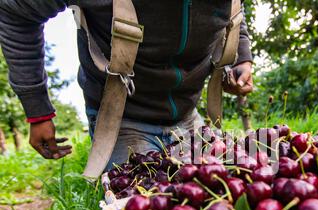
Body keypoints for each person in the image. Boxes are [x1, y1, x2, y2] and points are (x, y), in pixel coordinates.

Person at [0, 1, 253, 167]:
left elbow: (235, 11)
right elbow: (14, 13)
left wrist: (241, 56)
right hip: (122, 118)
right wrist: (38, 110)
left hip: (187, 115)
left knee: (228, 192)